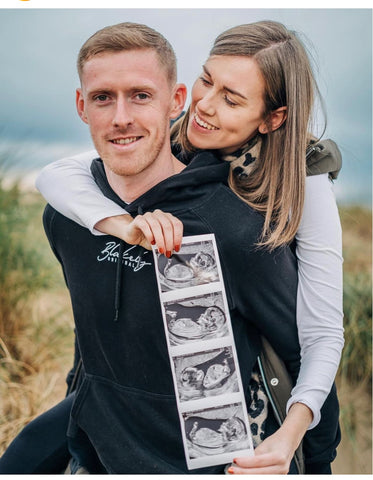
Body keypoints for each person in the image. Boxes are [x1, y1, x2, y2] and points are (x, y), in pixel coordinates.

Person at [0, 21, 341, 474]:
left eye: (232, 98)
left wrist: (311, 452)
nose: (207, 105)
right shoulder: (71, 215)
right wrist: (121, 224)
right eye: (207, 81)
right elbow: (62, 174)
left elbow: (313, 338)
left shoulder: (265, 209)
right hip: (99, 440)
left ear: (270, 118)